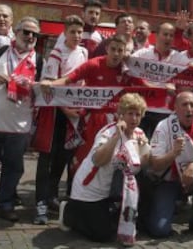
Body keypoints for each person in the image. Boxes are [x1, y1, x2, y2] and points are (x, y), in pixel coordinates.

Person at [60, 93, 150, 245]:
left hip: (111, 191)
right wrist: (117, 137)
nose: (134, 119)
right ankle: (69, 212)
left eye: (137, 115)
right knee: (103, 235)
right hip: (89, 191)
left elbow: (143, 165)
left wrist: (144, 147)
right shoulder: (107, 132)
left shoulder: (139, 134)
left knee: (120, 225)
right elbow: (98, 160)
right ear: (121, 115)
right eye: (130, 114)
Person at [41, 34, 131, 174]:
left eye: (120, 50)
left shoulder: (127, 70)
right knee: (83, 157)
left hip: (115, 121)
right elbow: (69, 79)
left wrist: (165, 89)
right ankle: (74, 191)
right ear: (107, 49)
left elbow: (144, 86)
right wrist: (50, 83)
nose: (116, 54)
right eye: (113, 49)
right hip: (90, 120)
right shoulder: (93, 64)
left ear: (125, 52)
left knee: (109, 158)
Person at [33, 15, 88, 224]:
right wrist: (67, 109)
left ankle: (52, 195)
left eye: (79, 32)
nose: (76, 36)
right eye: (72, 32)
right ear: (65, 32)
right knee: (47, 158)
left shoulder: (83, 52)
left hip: (75, 114)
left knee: (63, 157)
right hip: (56, 113)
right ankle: (40, 203)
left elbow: (83, 82)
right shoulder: (56, 54)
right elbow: (49, 86)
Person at [142, 91, 193, 239]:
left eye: (192, 105)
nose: (189, 109)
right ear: (175, 108)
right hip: (168, 182)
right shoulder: (163, 126)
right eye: (184, 105)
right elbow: (155, 165)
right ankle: (152, 211)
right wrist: (173, 153)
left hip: (190, 178)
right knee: (159, 230)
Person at [0, 17, 42, 222]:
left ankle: (6, 204)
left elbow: (43, 92)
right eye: (26, 32)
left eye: (34, 34)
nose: (29, 37)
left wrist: (37, 86)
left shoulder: (39, 61)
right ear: (16, 32)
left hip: (19, 126)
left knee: (13, 169)